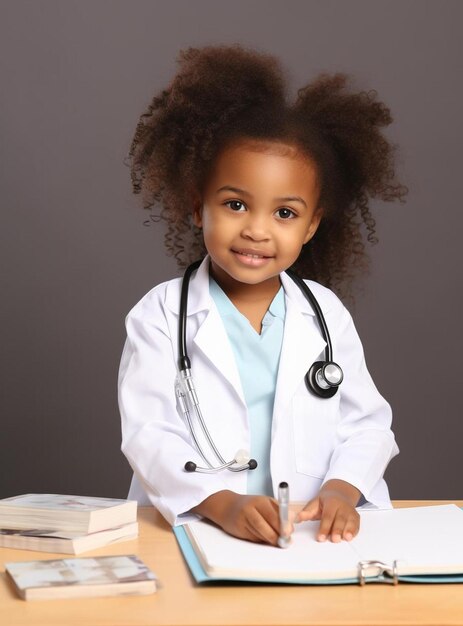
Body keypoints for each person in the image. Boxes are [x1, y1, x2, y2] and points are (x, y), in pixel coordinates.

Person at [118, 44, 406, 547]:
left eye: (285, 213)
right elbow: (149, 435)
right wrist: (221, 502)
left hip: (308, 535)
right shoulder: (160, 314)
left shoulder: (325, 315)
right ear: (196, 206)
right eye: (235, 204)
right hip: (196, 528)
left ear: (312, 225)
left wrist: (342, 490)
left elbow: (367, 425)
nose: (257, 230)